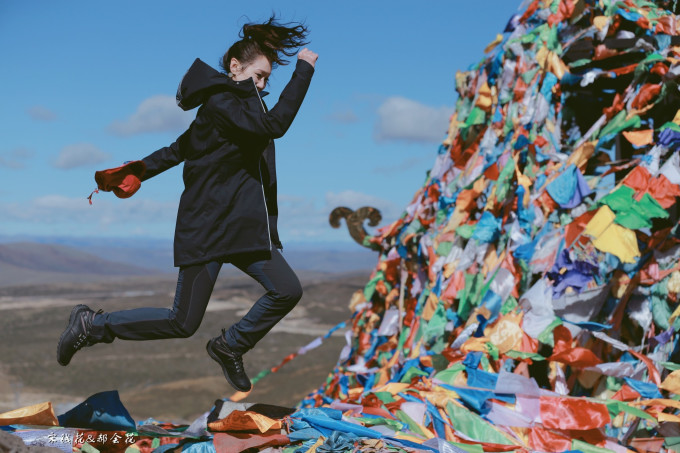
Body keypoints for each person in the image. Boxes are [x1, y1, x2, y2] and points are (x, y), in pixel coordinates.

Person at [56, 15, 318, 393]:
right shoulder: (222, 103)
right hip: (208, 228)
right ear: (235, 67)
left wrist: (139, 170)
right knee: (182, 322)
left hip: (242, 229)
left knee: (287, 290)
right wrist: (303, 71)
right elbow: (273, 126)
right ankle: (93, 325)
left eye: (266, 80)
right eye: (258, 76)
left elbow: (180, 148)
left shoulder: (241, 109)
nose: (262, 85)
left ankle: (230, 345)